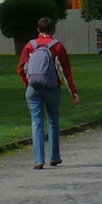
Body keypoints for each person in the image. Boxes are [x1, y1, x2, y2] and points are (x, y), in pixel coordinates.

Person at [17, 17, 79, 170]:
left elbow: (20, 69)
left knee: (36, 123)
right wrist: (73, 92)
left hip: (34, 88)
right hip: (52, 87)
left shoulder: (30, 46)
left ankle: (38, 160)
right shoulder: (57, 46)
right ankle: (54, 156)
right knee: (53, 121)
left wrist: (28, 83)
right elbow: (66, 71)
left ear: (38, 30)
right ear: (53, 30)